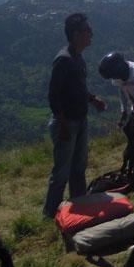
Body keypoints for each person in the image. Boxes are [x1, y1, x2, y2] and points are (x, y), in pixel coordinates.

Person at [42, 13, 107, 218]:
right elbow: (54, 95)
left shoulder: (77, 57)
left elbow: (77, 88)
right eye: (88, 31)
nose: (91, 34)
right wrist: (62, 125)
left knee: (78, 167)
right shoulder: (64, 60)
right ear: (76, 34)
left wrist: (92, 99)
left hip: (79, 120)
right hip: (67, 122)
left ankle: (79, 207)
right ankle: (50, 213)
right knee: (62, 171)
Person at [98, 52, 134, 177]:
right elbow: (122, 91)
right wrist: (124, 110)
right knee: (130, 134)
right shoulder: (118, 77)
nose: (115, 78)